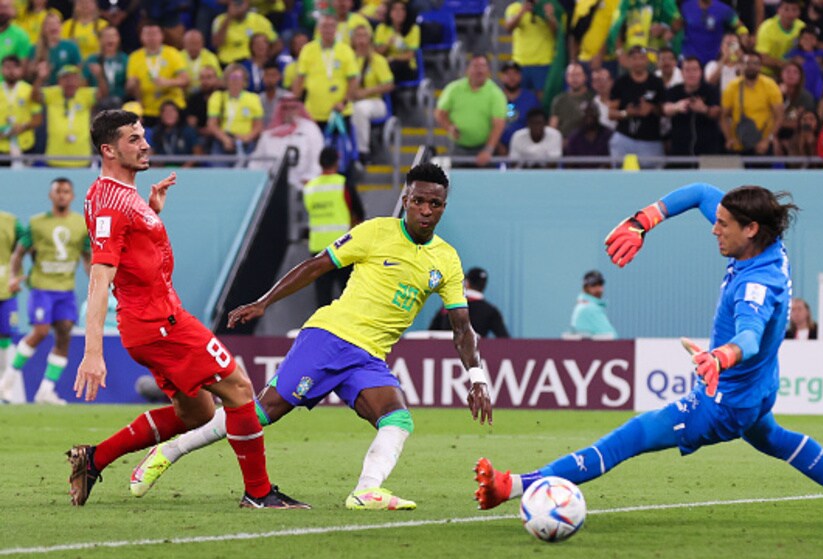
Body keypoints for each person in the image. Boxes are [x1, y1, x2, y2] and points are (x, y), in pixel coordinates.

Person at [475, 183, 823, 529]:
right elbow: (700, 191)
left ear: (750, 228)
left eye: (723, 225)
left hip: (725, 401)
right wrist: (643, 221)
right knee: (775, 439)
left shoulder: (757, 287)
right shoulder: (768, 246)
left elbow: (750, 337)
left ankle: (512, 486)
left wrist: (721, 358)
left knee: (631, 437)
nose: (713, 229)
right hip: (759, 387)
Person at [128, 162, 493, 511]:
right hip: (329, 338)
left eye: (435, 204)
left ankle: (367, 491)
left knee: (397, 419)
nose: (425, 210)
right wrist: (264, 301)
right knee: (260, 413)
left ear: (444, 207)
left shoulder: (446, 260)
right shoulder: (374, 231)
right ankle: (168, 452)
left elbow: (462, 327)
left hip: (368, 357)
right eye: (418, 201)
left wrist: (476, 378)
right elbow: (316, 265)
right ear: (406, 199)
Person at [68, 109, 307, 510]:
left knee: (197, 412)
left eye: (143, 135)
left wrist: (151, 213)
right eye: (133, 139)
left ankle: (94, 458)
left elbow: (129, 250)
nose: (145, 144)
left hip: (152, 321)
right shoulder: (112, 203)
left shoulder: (118, 195)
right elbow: (99, 278)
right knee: (241, 390)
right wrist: (93, 352)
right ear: (108, 150)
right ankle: (260, 493)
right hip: (160, 322)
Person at [0, 177, 90, 405]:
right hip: (42, 288)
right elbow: (19, 252)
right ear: (51, 195)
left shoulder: (81, 224)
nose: (62, 195)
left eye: (66, 191)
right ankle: (6, 382)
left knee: (64, 335)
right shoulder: (37, 223)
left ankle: (46, 391)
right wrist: (13, 276)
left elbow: (87, 256)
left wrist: (97, 284)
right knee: (39, 332)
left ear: (72, 196)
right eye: (58, 191)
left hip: (66, 290)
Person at [303, 146, 364, 308]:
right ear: (337, 162)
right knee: (349, 298)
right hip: (342, 247)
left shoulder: (309, 188)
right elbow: (358, 213)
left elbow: (309, 211)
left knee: (322, 300)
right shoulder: (342, 184)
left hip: (318, 249)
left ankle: (323, 332)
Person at [435, 55, 506, 167]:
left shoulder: (496, 93)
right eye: (475, 66)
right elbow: (440, 113)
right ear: (467, 69)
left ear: (489, 70)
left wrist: (488, 150)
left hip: (483, 147)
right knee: (455, 182)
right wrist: (449, 127)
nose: (479, 70)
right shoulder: (453, 88)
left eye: (483, 66)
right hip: (457, 146)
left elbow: (499, 124)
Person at [32, 63, 105, 168]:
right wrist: (40, 78)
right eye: (65, 78)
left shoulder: (85, 94)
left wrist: (99, 76)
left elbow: (103, 94)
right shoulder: (52, 93)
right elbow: (34, 97)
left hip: (82, 159)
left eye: (74, 78)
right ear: (59, 81)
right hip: (55, 159)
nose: (70, 82)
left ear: (79, 81)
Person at [293, 14, 359, 130]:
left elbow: (353, 80)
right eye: (324, 26)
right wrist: (295, 103)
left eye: (331, 26)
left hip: (340, 111)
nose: (328, 30)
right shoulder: (308, 49)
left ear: (336, 29)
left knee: (340, 147)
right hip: (313, 112)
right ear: (318, 29)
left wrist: (344, 102)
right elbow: (299, 79)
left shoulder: (346, 50)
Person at [249, 93, 325, 190]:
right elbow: (257, 161)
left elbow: (317, 158)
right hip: (271, 186)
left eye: (293, 108)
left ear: (298, 109)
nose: (289, 112)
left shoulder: (310, 129)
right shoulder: (268, 134)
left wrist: (310, 177)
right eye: (285, 108)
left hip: (300, 185)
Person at [609, 46, 666, 166]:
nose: (638, 62)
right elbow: (611, 113)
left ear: (647, 60)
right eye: (634, 58)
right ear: (629, 61)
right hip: (625, 137)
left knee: (652, 179)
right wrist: (626, 113)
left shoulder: (656, 82)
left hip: (650, 139)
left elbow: (664, 110)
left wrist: (651, 108)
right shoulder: (621, 82)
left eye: (641, 58)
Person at [720, 51, 783, 155]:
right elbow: (723, 116)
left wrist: (768, 140)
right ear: (741, 65)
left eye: (755, 63)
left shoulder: (770, 85)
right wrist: (729, 139)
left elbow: (779, 117)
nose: (751, 66)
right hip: (738, 144)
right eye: (747, 63)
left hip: (763, 145)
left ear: (760, 66)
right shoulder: (732, 86)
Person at [125, 23, 189, 125]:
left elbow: (185, 80)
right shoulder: (134, 57)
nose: (151, 37)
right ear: (141, 37)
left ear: (162, 36)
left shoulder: (173, 53)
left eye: (154, 33)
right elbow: (130, 87)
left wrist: (168, 82)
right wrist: (132, 86)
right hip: (148, 110)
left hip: (173, 107)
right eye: (148, 34)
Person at [663, 56, 724, 156]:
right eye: (687, 70)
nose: (691, 74)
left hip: (708, 148)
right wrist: (676, 107)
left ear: (701, 72)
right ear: (681, 73)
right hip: (680, 149)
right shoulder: (673, 91)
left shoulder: (711, 90)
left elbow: (718, 112)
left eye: (695, 70)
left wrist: (704, 109)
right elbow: (664, 109)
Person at [351, 25, 394, 163]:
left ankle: (362, 152)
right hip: (351, 100)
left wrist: (366, 92)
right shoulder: (348, 59)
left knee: (360, 109)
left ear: (370, 39)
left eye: (365, 36)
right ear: (353, 40)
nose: (361, 40)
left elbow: (389, 85)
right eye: (358, 36)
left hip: (375, 102)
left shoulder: (378, 60)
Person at [429, 267, 510, 338]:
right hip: (475, 353)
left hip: (444, 353)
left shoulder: (450, 306)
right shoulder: (491, 311)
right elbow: (504, 340)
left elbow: (431, 333)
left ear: (467, 283)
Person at [207, 63, 265, 161]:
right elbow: (212, 124)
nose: (235, 81)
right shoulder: (217, 97)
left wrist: (247, 137)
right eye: (232, 77)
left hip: (246, 142)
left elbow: (258, 126)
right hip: (223, 140)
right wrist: (224, 139)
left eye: (239, 77)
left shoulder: (253, 98)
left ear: (244, 80)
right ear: (226, 80)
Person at [504, 0, 559, 95]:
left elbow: (558, 32)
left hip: (543, 63)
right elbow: (508, 28)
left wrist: (549, 16)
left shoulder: (549, 6)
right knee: (518, 99)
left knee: (542, 102)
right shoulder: (515, 7)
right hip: (520, 64)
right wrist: (522, 12)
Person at [212, 0, 280, 66]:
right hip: (229, 64)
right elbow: (216, 44)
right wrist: (229, 17)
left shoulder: (259, 19)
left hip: (254, 64)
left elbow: (278, 44)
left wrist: (266, 59)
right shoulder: (219, 20)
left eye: (241, 2)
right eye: (235, 2)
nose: (238, 5)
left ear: (248, 3)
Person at [680, 0, 749, 66]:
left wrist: (743, 40)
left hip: (714, 61)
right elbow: (677, 26)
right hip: (690, 60)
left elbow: (741, 27)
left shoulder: (723, 9)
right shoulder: (686, 6)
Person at [0, 55, 42, 161]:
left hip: (25, 145)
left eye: (15, 67)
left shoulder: (30, 91)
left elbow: (38, 119)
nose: (11, 71)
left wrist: (23, 126)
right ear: (1, 70)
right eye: (7, 67)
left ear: (21, 70)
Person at [0, 209, 25, 375]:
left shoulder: (11, 222)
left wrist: (17, 275)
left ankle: (3, 385)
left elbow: (28, 245)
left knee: (5, 337)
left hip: (6, 289)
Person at [498, 61, 541, 153]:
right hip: (498, 147)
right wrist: (497, 145)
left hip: (526, 147)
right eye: (508, 74)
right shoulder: (495, 97)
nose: (511, 77)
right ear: (502, 77)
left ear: (520, 76)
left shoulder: (530, 98)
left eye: (515, 73)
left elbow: (537, 124)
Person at [755, 0, 805, 78]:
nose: (790, 14)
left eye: (794, 10)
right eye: (786, 9)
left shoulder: (802, 27)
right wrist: (784, 64)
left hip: (792, 74)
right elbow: (762, 57)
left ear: (799, 12)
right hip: (767, 74)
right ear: (778, 10)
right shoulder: (766, 27)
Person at [373, 0, 420, 83]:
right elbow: (377, 53)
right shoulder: (381, 28)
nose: (399, 13)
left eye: (402, 9)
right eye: (395, 10)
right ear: (389, 13)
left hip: (406, 65)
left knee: (393, 66)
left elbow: (410, 55)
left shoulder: (413, 29)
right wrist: (387, 44)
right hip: (383, 64)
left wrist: (393, 58)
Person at [81, 26, 129, 105]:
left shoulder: (124, 59)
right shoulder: (92, 60)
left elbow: (128, 84)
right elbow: (83, 84)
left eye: (113, 36)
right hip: (97, 102)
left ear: (118, 39)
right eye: (107, 36)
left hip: (121, 101)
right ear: (100, 40)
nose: (110, 39)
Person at [550, 63, 594, 140]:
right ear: (566, 78)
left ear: (585, 77)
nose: (574, 78)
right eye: (571, 75)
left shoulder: (593, 98)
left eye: (578, 75)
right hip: (564, 142)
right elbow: (553, 127)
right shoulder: (559, 99)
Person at [149, 100, 200, 165]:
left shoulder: (188, 131)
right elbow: (152, 154)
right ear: (161, 116)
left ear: (178, 114)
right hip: (162, 170)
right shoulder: (156, 132)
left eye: (172, 111)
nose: (169, 114)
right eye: (166, 112)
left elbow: (198, 153)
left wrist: (185, 168)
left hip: (185, 169)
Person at [568, 269, 617, 339]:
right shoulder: (590, 308)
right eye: (593, 285)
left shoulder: (582, 305)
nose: (598, 289)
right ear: (585, 288)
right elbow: (611, 336)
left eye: (600, 284)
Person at [180, 28, 222, 96]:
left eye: (196, 44)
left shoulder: (210, 57)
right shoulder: (178, 57)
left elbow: (218, 79)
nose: (193, 47)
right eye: (190, 44)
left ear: (202, 44)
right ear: (184, 44)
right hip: (184, 94)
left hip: (205, 94)